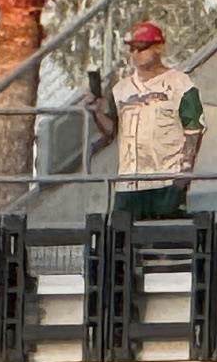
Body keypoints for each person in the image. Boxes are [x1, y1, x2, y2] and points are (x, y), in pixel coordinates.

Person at [87, 21, 203, 219]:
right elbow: (112, 131)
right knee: (122, 242)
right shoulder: (121, 89)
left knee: (163, 240)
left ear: (158, 47)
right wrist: (95, 112)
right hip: (128, 182)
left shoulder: (179, 83)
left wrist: (184, 174)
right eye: (132, 48)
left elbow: (193, 129)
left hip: (166, 180)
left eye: (142, 48)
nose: (135, 54)